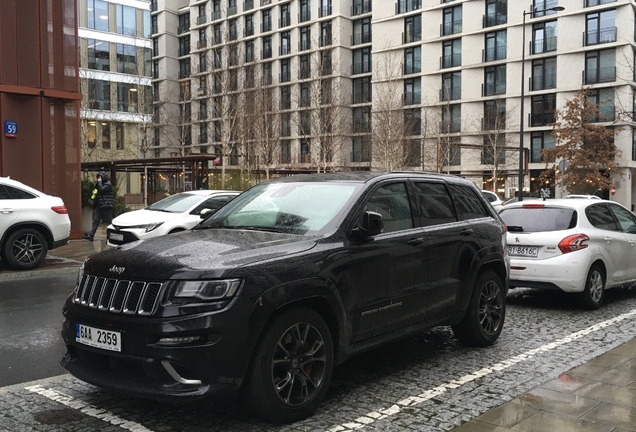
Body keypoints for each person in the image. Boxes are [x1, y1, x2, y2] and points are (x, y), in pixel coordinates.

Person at [82, 170, 114, 241]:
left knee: (109, 221)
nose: (98, 179)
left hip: (106, 206)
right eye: (98, 177)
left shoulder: (108, 184)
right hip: (99, 206)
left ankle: (114, 234)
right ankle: (91, 235)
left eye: (100, 177)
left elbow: (102, 190)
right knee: (96, 221)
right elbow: (97, 192)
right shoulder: (99, 184)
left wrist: (99, 182)